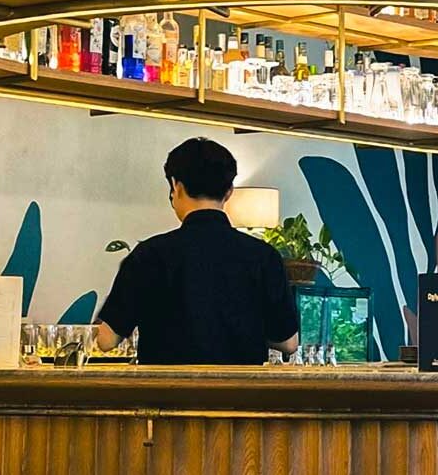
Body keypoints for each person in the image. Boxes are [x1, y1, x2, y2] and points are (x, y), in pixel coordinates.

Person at [95, 137, 301, 364]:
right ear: (229, 191)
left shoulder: (149, 254)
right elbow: (289, 343)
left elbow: (106, 340)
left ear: (176, 186)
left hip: (167, 394)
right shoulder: (263, 256)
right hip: (242, 395)